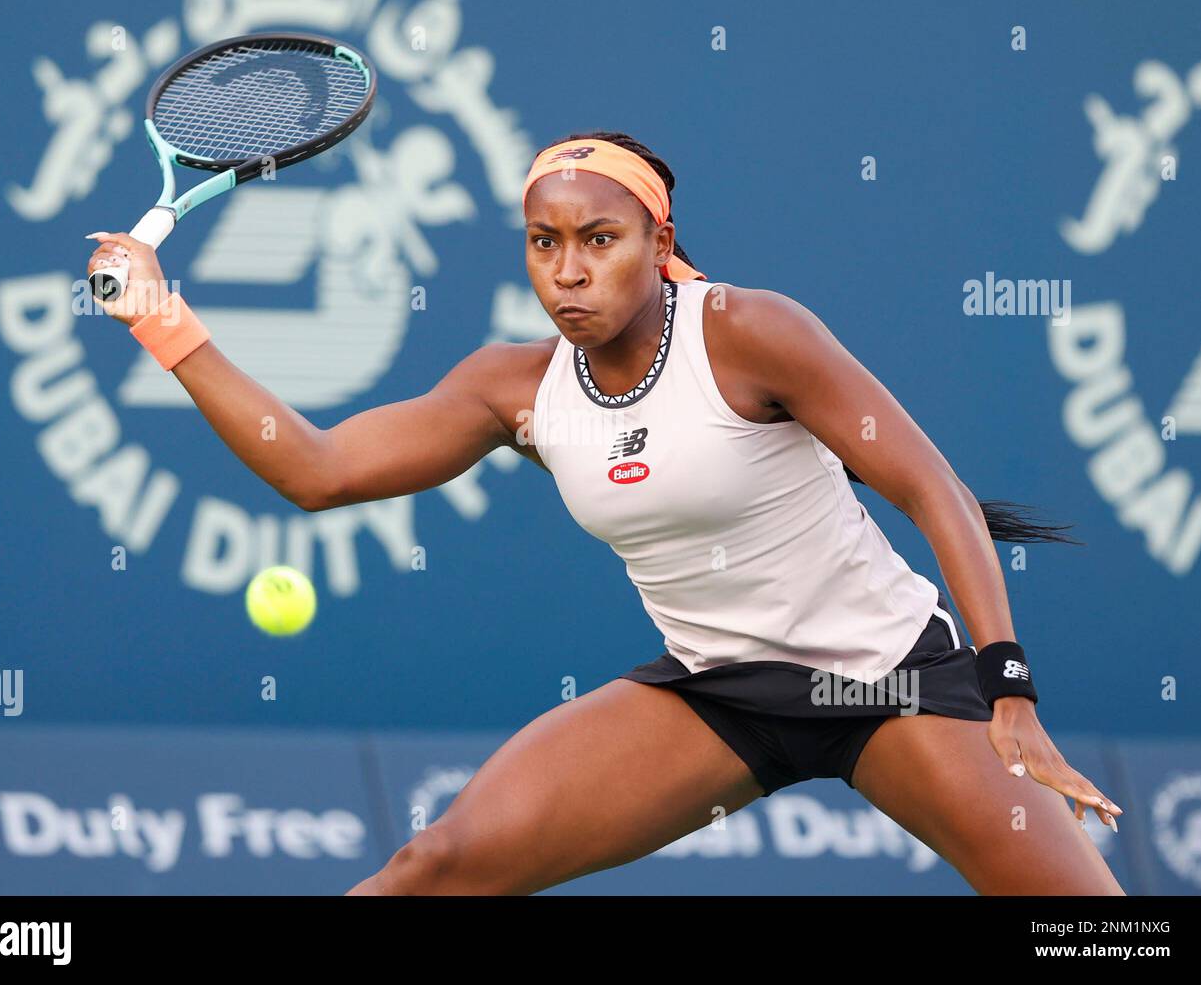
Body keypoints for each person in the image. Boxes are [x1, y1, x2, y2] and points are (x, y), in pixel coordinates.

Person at [86, 130, 1125, 896]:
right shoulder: (514, 386)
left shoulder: (752, 332)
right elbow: (313, 470)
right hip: (715, 693)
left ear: (657, 236)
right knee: (433, 866)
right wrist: (160, 322)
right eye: (544, 242)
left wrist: (1009, 692)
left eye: (599, 238)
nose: (570, 270)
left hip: (893, 679)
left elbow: (930, 490)